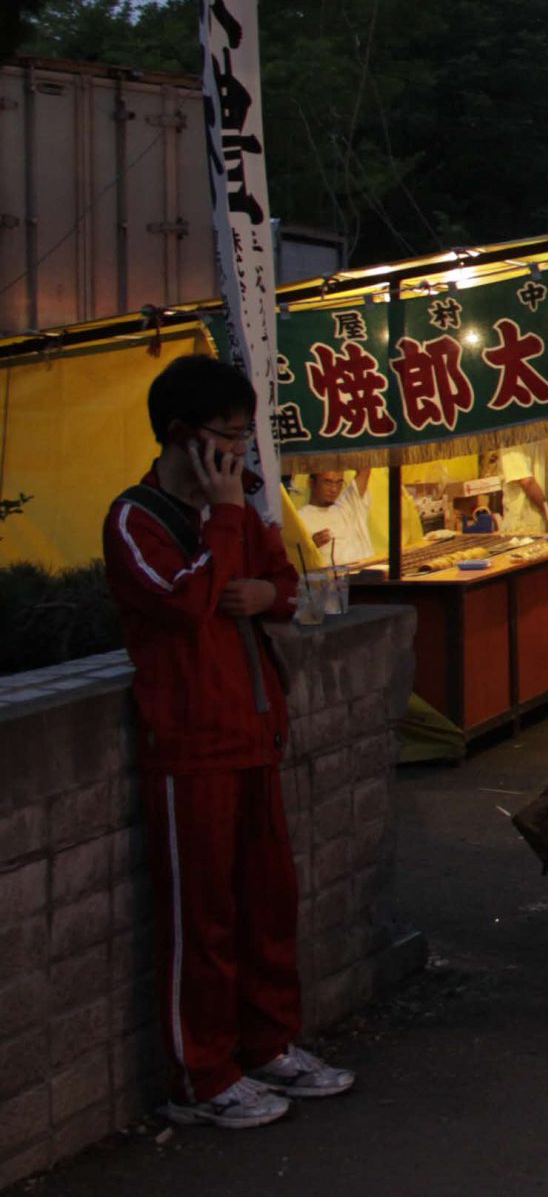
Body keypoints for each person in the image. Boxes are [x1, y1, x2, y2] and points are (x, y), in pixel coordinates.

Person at [108, 357, 356, 1129]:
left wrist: (260, 591)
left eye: (243, 440)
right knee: (202, 916)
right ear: (183, 438)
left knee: (266, 902)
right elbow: (184, 601)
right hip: (189, 745)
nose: (240, 457)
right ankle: (201, 1073)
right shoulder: (135, 517)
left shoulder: (242, 513)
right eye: (225, 440)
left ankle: (267, 1042)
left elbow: (285, 586)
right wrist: (223, 528)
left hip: (254, 730)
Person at [297, 468, 376, 565]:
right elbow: (295, 560)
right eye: (327, 482)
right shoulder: (299, 519)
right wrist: (311, 546)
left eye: (339, 483)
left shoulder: (348, 506)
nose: (334, 489)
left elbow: (365, 469)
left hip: (373, 571)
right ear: (311, 483)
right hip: (338, 577)